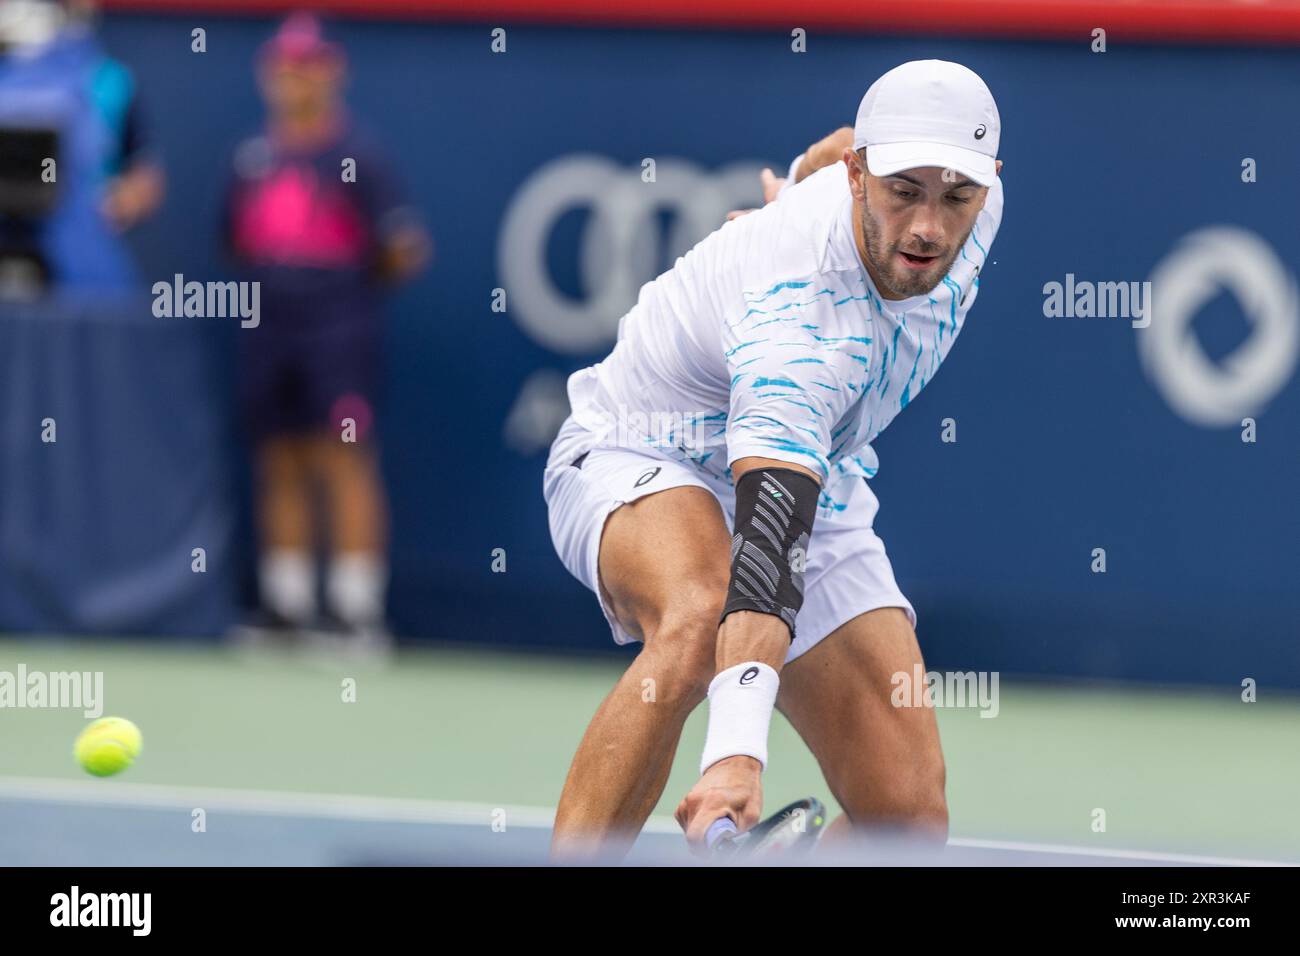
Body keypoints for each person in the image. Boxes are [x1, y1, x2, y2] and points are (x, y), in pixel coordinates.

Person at [542, 60, 1005, 855]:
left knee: (908, 821)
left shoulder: (962, 192)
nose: (929, 226)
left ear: (988, 183)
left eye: (955, 196)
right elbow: (767, 557)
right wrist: (734, 757)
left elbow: (847, 142)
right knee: (699, 611)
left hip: (817, 471)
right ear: (862, 179)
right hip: (644, 448)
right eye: (902, 192)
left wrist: (795, 178)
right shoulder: (796, 325)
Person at [223, 14, 429, 651]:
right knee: (278, 456)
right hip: (269, 329)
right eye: (283, 67)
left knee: (344, 456)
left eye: (307, 67)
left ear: (331, 73)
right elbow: (233, 242)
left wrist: (340, 290)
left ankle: (354, 611)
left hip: (339, 331)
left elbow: (404, 247)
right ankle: (286, 607)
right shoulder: (251, 157)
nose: (294, 79)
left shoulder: (358, 156)